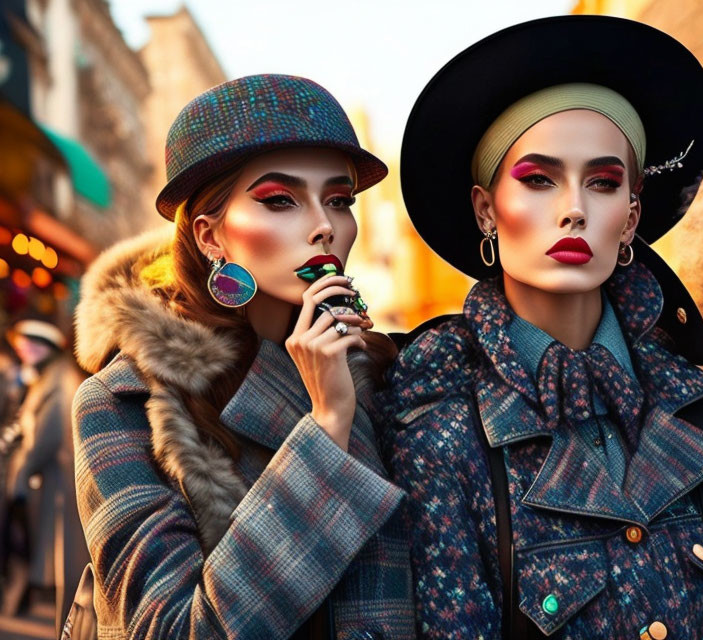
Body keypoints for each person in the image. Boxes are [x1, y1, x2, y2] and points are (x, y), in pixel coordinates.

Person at [380, 16, 703, 639]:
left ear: (630, 219)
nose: (574, 208)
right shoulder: (442, 434)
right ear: (486, 210)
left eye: (602, 183)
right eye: (539, 179)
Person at [70, 74, 413, 639]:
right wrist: (326, 427)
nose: (325, 226)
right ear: (211, 236)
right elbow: (169, 629)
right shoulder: (126, 402)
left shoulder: (393, 375)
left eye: (338, 200)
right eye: (280, 200)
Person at [0, 317, 87, 633]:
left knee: (67, 561)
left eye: (35, 346)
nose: (26, 351)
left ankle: (67, 626)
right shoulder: (48, 378)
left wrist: (22, 472)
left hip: (59, 484)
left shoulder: (57, 384)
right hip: (54, 482)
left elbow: (45, 439)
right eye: (24, 345)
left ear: (49, 350)